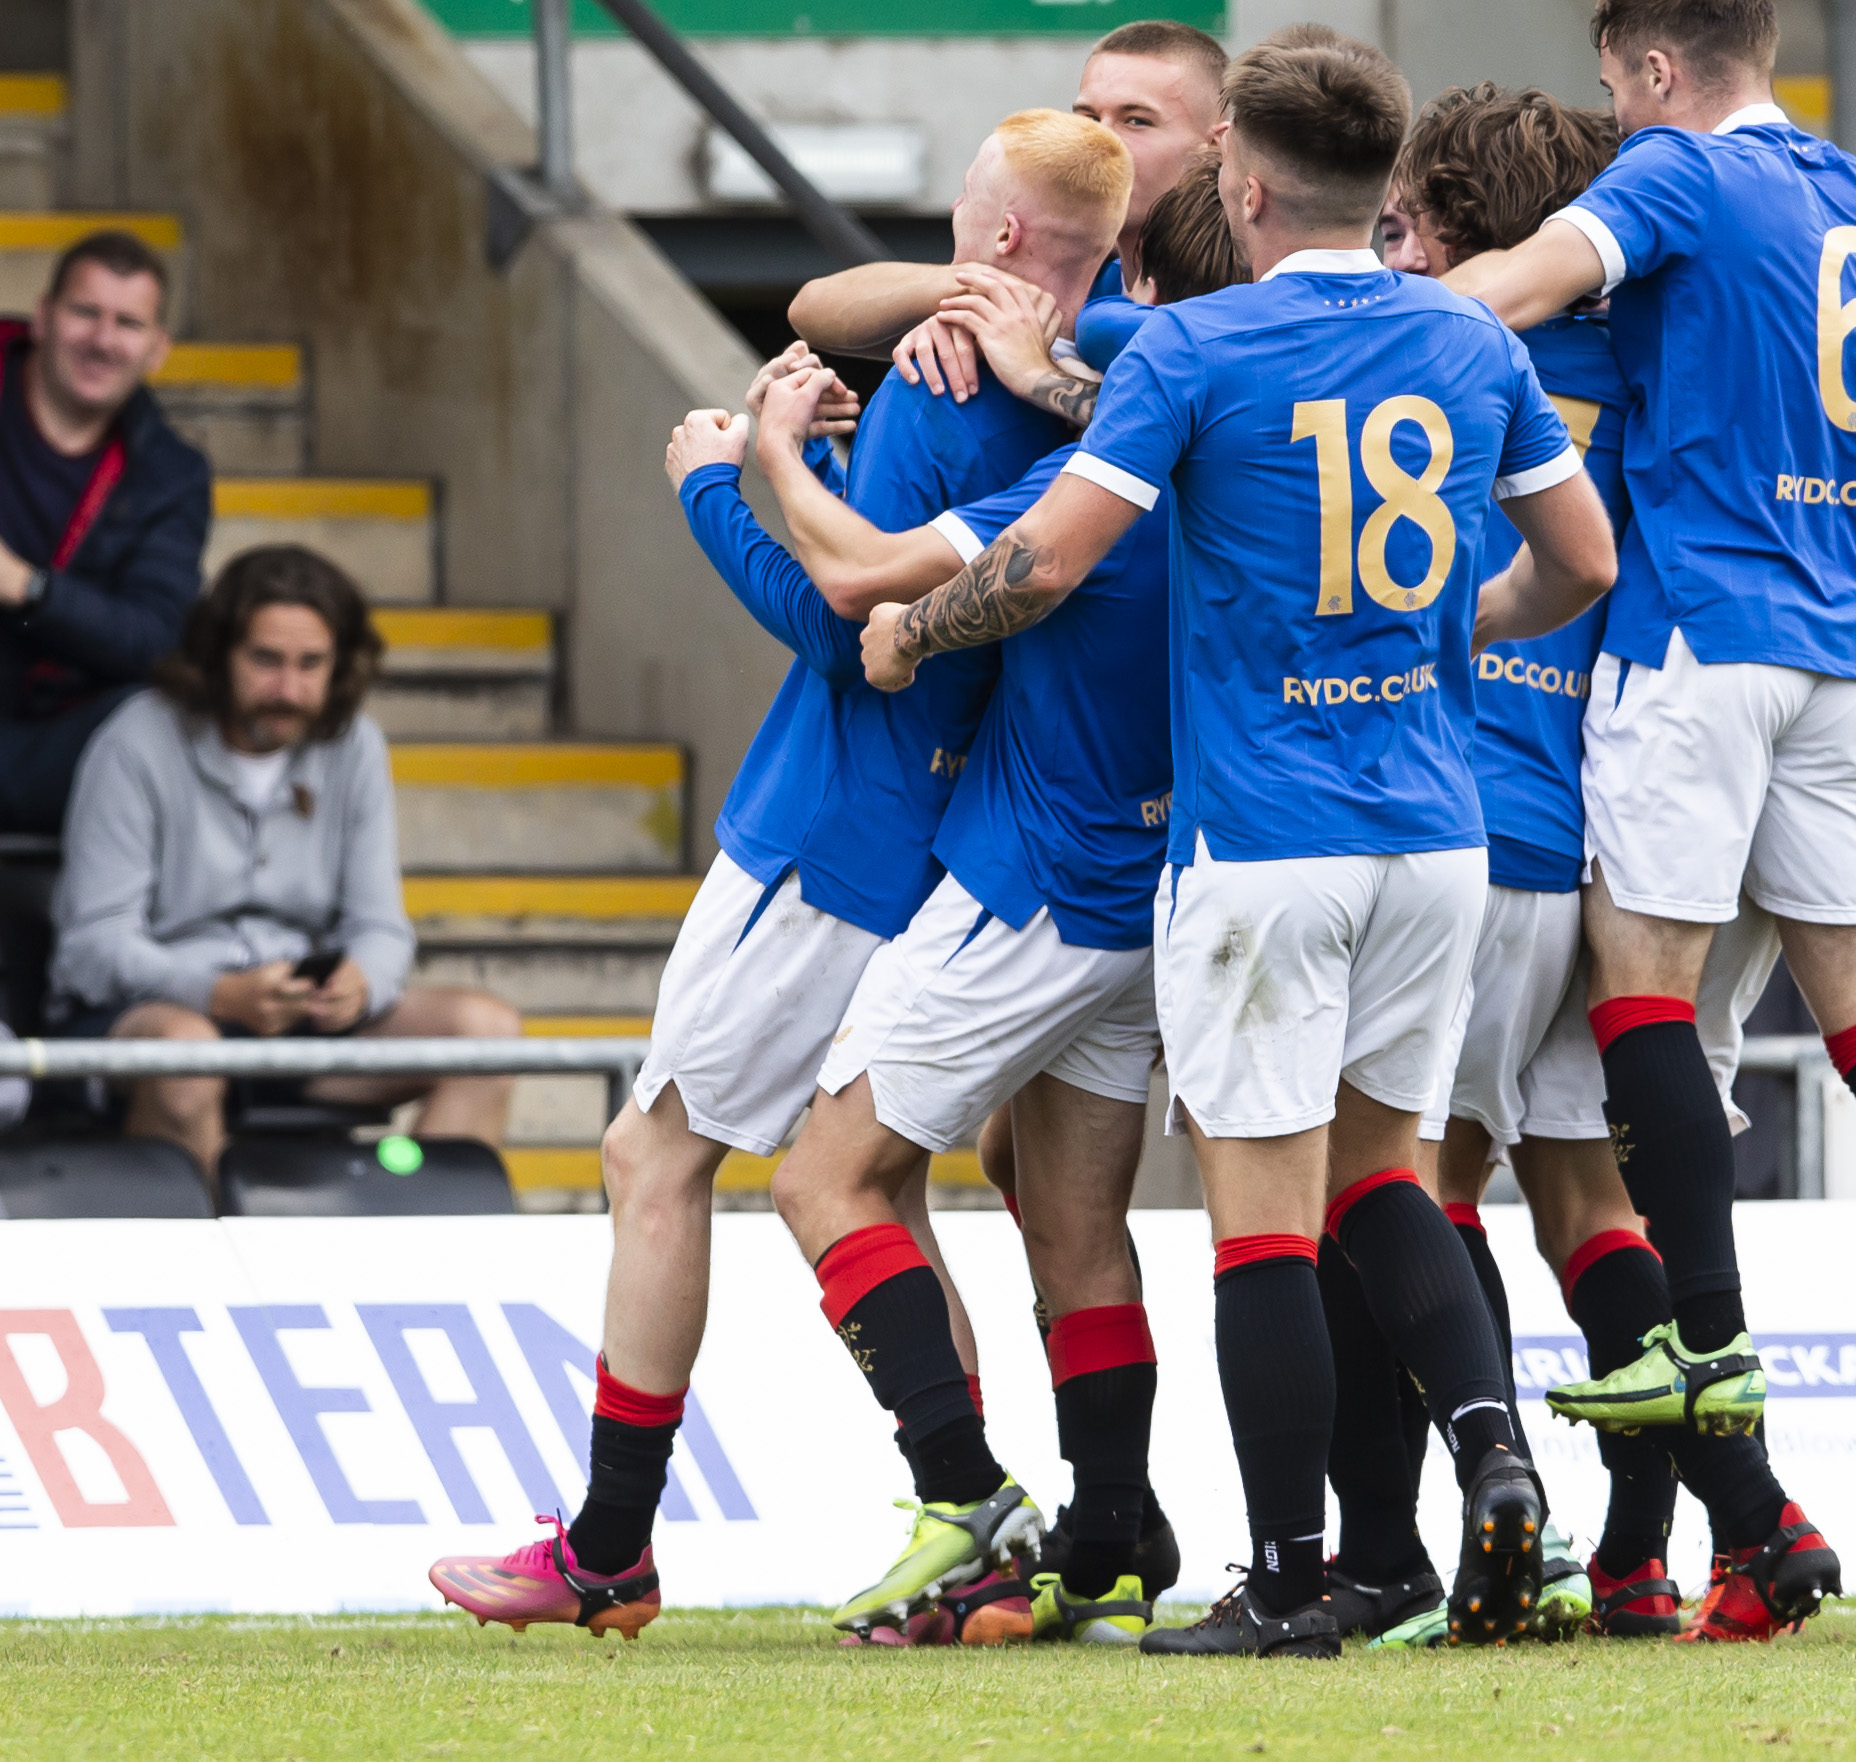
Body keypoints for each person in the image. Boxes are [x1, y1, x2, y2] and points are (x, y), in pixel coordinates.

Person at [860, 34, 1618, 1657]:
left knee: (1263, 1217)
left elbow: (1050, 565)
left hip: (1264, 837)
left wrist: (917, 629)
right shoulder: (1467, 339)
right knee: (1383, 1183)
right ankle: (1490, 1449)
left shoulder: (1195, 347)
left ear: (1242, 180)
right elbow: (1580, 559)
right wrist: (1450, 631)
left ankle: (1281, 1583)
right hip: (1434, 832)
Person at [425, 110, 1125, 1644]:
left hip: (829, 829)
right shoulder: (1112, 372)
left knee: (653, 1156)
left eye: (958, 216)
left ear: (998, 239)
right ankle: (976, 1520)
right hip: (956, 833)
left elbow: (842, 630)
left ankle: (613, 1543)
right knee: (881, 1190)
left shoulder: (947, 389)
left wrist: (725, 475)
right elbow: (854, 315)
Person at [1441, 0, 1856, 1603]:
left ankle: (1708, 1344)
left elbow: (1513, 290)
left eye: (1619, 87)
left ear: (1662, 71)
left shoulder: (1675, 172)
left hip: (1699, 636)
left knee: (1643, 996)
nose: (1614, 121)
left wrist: (1329, 316)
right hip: (1850, 648)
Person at [757, 155, 1244, 1649]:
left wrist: (757, 459)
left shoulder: (1086, 478)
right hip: (1156, 898)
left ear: (1149, 297)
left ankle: (966, 1501)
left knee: (820, 1176)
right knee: (1078, 1226)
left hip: (1034, 880)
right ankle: (1107, 1533)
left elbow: (857, 584)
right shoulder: (1248, 462)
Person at [47, 547, 521, 1179]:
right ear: (219, 654)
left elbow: (381, 928)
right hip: (157, 1017)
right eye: (266, 660)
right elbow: (93, 947)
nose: (289, 689)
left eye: (311, 664)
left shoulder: (355, 745)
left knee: (485, 1033)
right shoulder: (136, 740)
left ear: (340, 665)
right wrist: (217, 993)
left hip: (302, 1022)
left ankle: (410, 1272)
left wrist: (362, 984)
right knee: (188, 1058)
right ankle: (220, 1273)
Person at [788, 19, 1228, 404]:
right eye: (1087, 117)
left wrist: (1038, 376)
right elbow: (809, 312)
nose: (1103, 141)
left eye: (1136, 121)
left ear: (1216, 144)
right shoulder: (1073, 279)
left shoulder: (1248, 292)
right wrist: (976, 289)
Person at [1, 230, 211, 836]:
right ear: (43, 316)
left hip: (47, 739)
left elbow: (153, 637)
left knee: (170, 719)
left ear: (157, 349)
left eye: (127, 323)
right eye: (85, 312)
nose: (102, 340)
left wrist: (27, 588)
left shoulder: (170, 475)